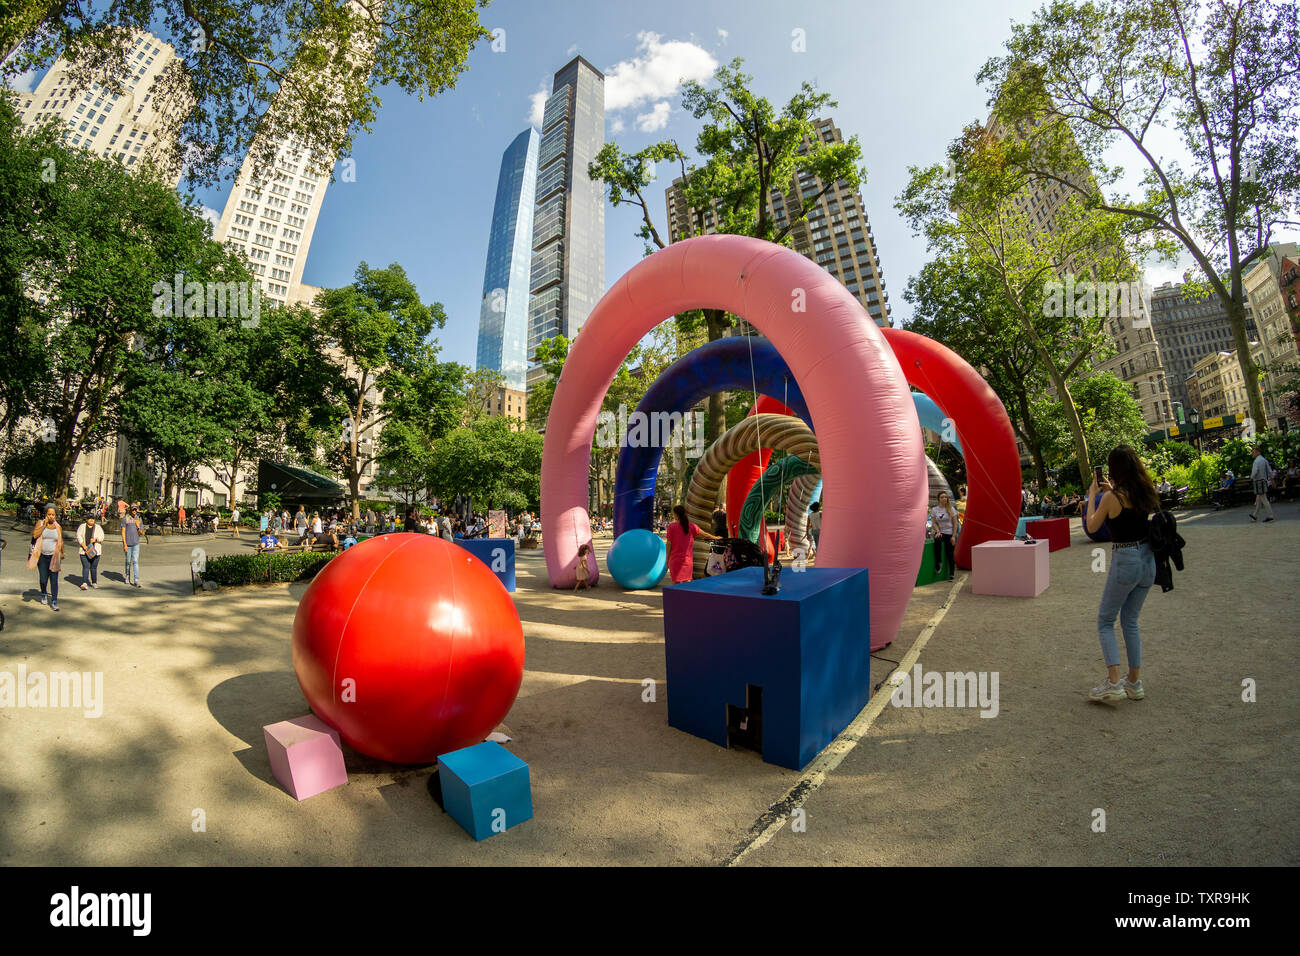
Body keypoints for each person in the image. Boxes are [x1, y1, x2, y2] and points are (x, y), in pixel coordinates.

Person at [1083, 445, 1159, 703]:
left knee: (1105, 620)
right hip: (1148, 561)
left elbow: (1092, 526)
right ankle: (1134, 682)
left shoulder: (1111, 498)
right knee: (1130, 620)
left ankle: (1114, 682)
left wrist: (1093, 496)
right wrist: (1107, 494)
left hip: (1125, 559)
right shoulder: (1145, 492)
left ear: (1114, 469)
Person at [664, 505, 720, 584]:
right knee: (687, 585)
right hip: (687, 561)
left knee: (675, 586)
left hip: (675, 560)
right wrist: (716, 538)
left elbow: (668, 544)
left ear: (676, 515)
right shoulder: (692, 526)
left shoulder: (671, 527)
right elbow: (705, 534)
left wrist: (667, 559)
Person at [31, 506, 65, 610]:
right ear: (46, 514)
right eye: (49, 514)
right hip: (42, 556)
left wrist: (62, 552)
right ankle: (44, 593)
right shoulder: (40, 523)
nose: (51, 516)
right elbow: (35, 535)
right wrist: (44, 526)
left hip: (54, 556)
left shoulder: (58, 526)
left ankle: (54, 601)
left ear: (55, 515)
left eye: (53, 514)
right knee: (43, 579)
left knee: (54, 580)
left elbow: (60, 540)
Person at [928, 491, 960, 580]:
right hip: (941, 532)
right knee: (937, 540)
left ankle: (952, 573)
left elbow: (955, 524)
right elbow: (934, 523)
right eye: (942, 497)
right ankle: (939, 562)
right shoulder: (934, 510)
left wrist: (953, 536)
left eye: (946, 497)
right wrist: (938, 531)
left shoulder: (951, 509)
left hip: (950, 533)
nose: (944, 498)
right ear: (939, 499)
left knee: (950, 553)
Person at [76, 513, 104, 589]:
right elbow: (78, 536)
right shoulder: (82, 527)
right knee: (86, 566)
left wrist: (96, 539)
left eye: (93, 518)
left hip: (95, 551)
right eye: (89, 518)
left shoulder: (98, 527)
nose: (91, 520)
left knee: (93, 567)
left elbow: (102, 537)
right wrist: (83, 545)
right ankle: (84, 582)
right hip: (84, 551)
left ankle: (94, 582)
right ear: (86, 519)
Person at [1248, 445, 1275, 523]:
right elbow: (1269, 471)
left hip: (1258, 481)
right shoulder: (1264, 460)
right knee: (1260, 499)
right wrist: (1272, 479)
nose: (1252, 454)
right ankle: (1255, 515)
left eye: (1253, 452)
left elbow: (1255, 471)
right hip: (1264, 481)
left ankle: (1270, 516)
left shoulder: (1256, 461)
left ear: (1257, 452)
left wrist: (1251, 477)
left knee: (1263, 499)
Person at [121, 506, 144, 587]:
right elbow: (123, 532)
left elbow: (142, 533)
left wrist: (138, 527)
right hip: (128, 544)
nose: (134, 511)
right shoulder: (125, 518)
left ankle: (136, 579)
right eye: (133, 509)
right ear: (130, 510)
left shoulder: (139, 519)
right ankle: (127, 575)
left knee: (135, 561)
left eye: (135, 509)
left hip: (136, 544)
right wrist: (124, 544)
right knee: (128, 562)